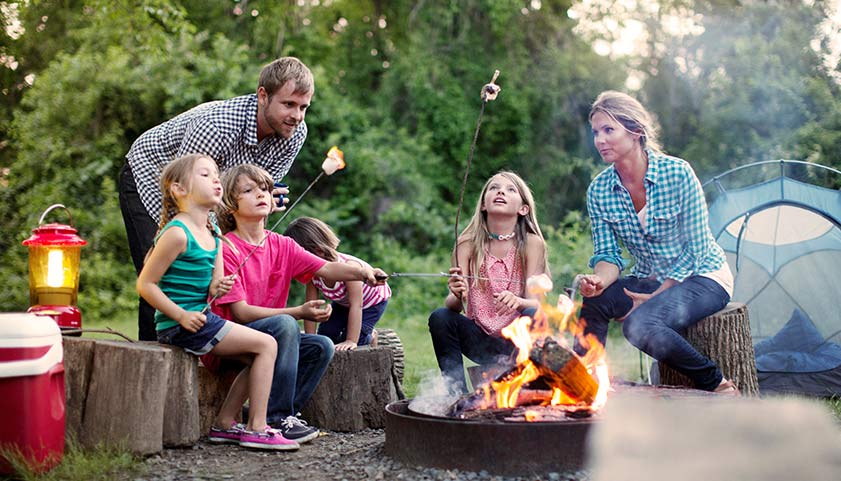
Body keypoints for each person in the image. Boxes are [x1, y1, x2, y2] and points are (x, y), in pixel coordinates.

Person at [120, 56, 314, 341]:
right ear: (263, 95)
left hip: (210, 192)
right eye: (288, 104)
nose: (297, 116)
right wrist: (212, 239)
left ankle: (207, 352)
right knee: (167, 274)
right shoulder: (217, 125)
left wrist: (264, 202)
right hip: (154, 176)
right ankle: (155, 358)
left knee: (212, 273)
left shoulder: (295, 134)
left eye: (303, 107)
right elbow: (187, 194)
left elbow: (258, 190)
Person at [210, 164, 388, 441]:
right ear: (231, 204)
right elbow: (241, 313)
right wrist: (298, 312)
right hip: (233, 336)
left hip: (270, 336)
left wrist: (363, 272)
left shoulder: (282, 244)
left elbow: (327, 269)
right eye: (248, 190)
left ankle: (282, 413)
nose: (261, 195)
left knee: (321, 345)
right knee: (285, 325)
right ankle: (276, 419)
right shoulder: (227, 247)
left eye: (265, 189)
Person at [577, 90, 738, 395]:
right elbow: (608, 254)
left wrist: (660, 293)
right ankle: (583, 383)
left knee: (640, 326)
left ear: (635, 132)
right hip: (650, 279)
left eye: (609, 130)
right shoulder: (599, 190)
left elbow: (698, 245)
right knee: (596, 301)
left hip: (703, 276)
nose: (599, 140)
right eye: (596, 132)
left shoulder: (677, 173)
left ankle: (718, 384)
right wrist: (598, 279)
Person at [136, 154, 297, 450]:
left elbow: (213, 286)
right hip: (178, 325)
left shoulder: (213, 233)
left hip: (201, 320)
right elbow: (145, 284)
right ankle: (258, 428)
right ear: (179, 189)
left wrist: (219, 286)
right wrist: (181, 315)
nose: (215, 180)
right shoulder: (176, 233)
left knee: (257, 354)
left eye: (215, 174)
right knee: (267, 345)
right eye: (205, 175)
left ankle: (225, 423)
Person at [428, 171, 547, 394]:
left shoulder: (532, 243)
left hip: (516, 341)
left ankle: (528, 386)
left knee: (533, 315)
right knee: (441, 317)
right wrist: (456, 294)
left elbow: (536, 305)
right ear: (483, 204)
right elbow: (455, 306)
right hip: (480, 339)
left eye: (511, 190)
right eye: (494, 188)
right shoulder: (466, 244)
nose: (500, 191)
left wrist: (518, 300)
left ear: (523, 209)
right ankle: (457, 395)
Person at [284, 217, 392, 351]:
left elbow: (356, 305)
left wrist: (351, 340)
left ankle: (371, 336)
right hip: (343, 303)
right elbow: (311, 306)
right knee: (326, 333)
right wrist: (310, 338)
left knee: (357, 342)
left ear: (318, 251)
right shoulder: (312, 272)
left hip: (371, 303)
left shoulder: (349, 268)